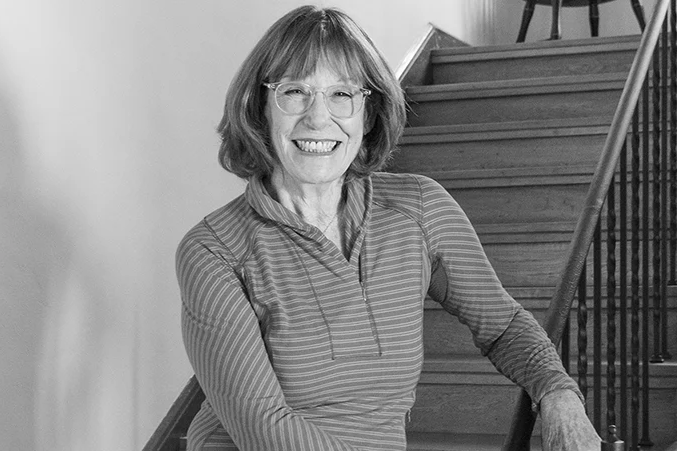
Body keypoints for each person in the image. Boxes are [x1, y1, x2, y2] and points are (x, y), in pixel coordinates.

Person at [174, 6, 604, 451]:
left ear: (369, 111)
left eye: (342, 94)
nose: (318, 118)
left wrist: (557, 394)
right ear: (260, 108)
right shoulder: (213, 252)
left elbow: (503, 326)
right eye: (294, 91)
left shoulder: (418, 209)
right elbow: (263, 426)